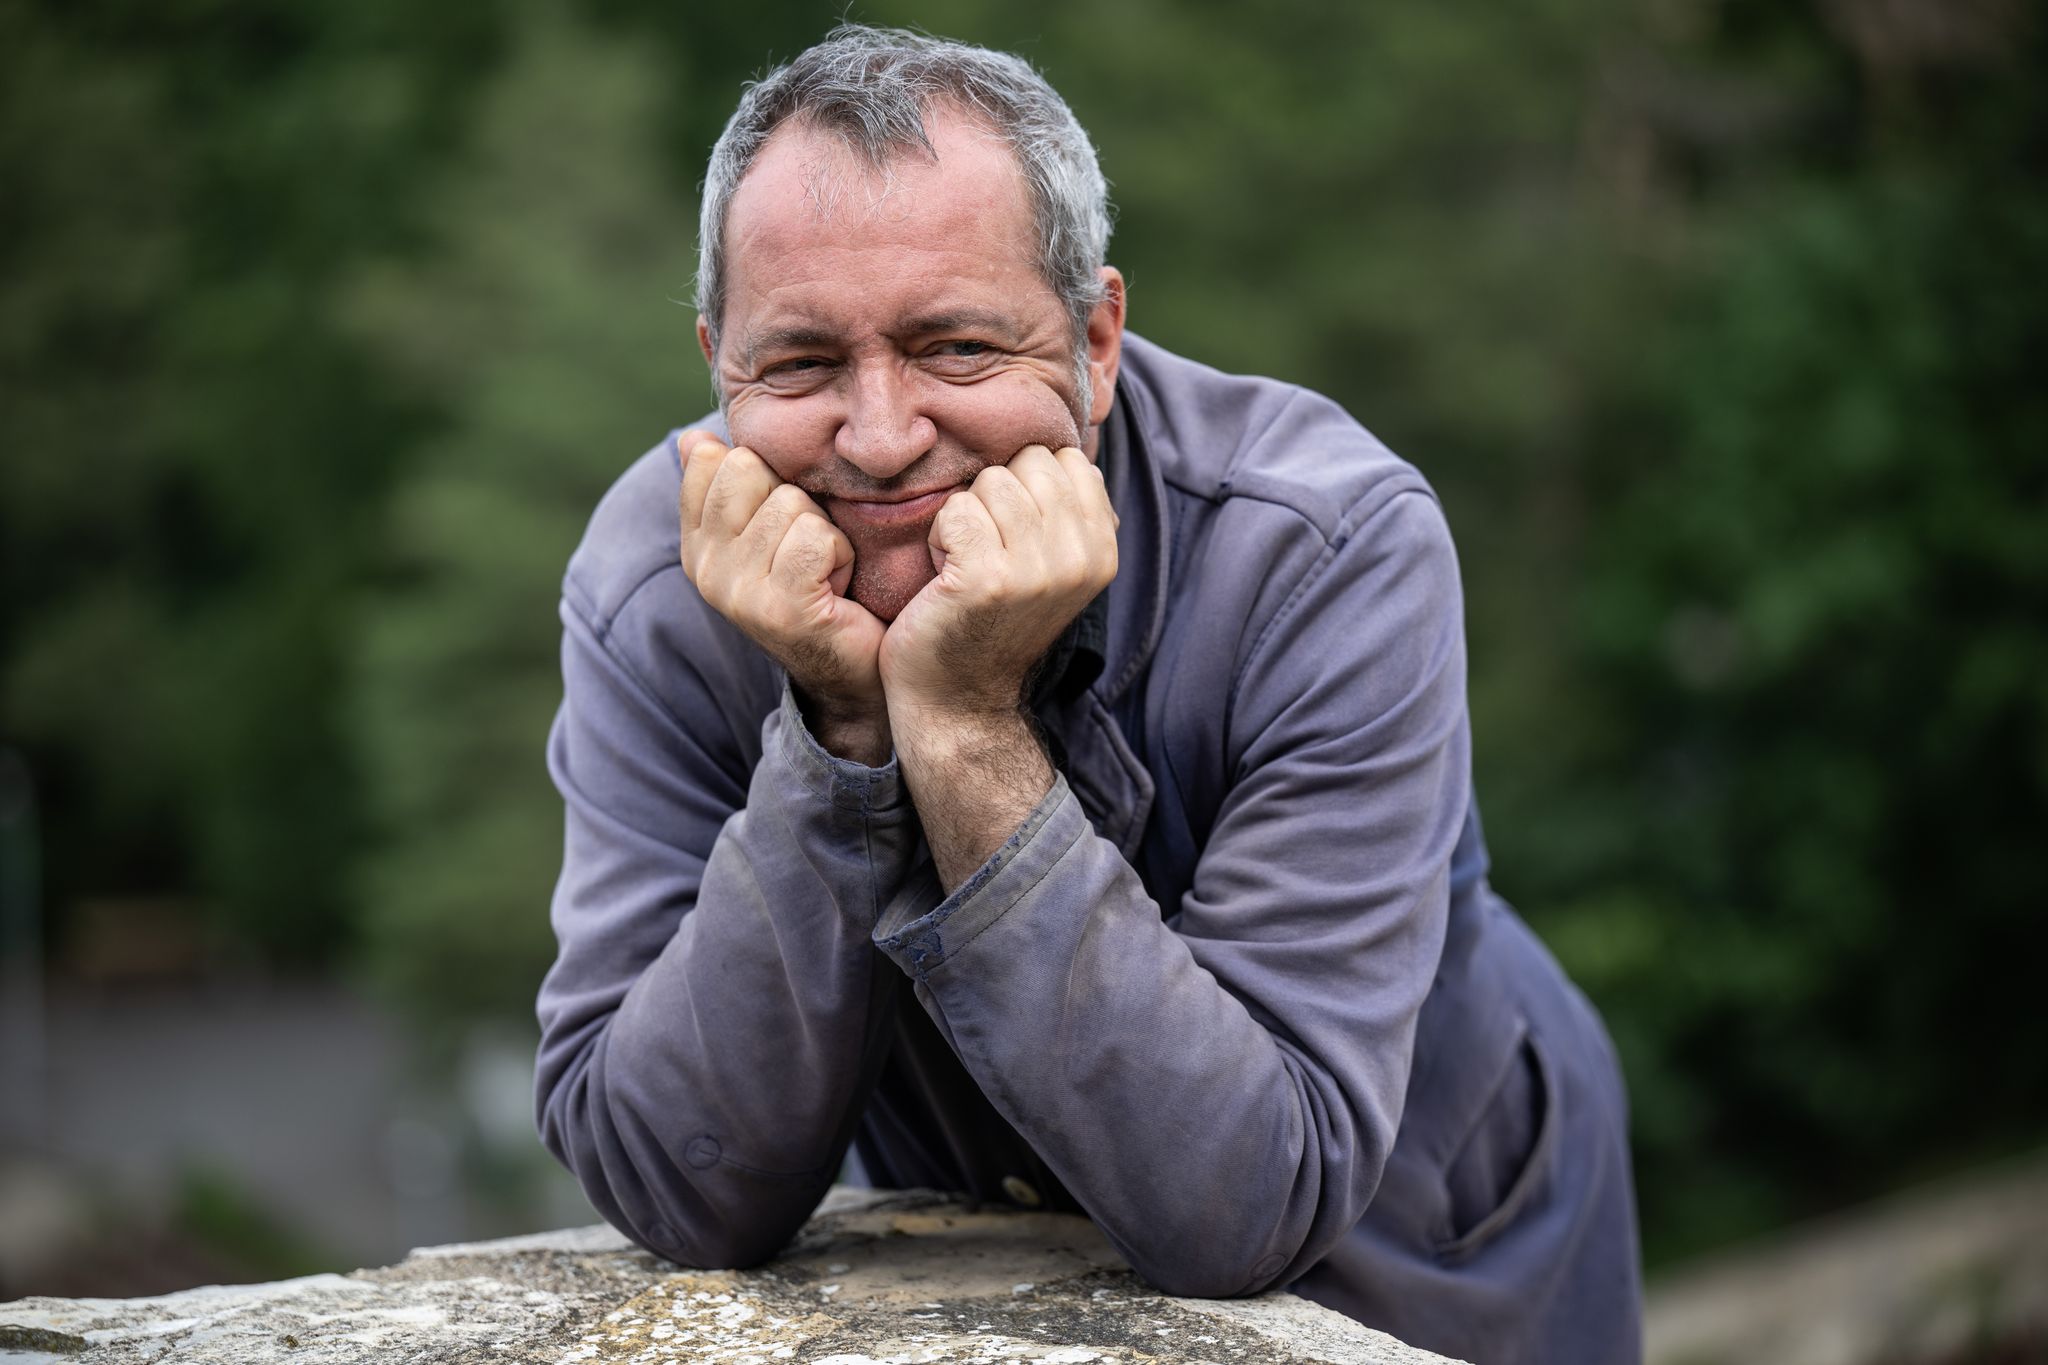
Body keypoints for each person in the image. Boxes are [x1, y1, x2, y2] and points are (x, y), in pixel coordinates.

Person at [535, 24, 1642, 1364]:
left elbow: (1252, 1193)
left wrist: (963, 723)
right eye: (802, 363)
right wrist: (841, 738)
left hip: (1429, 1237)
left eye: (954, 347)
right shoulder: (652, 585)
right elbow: (667, 1176)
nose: (879, 439)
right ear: (719, 362)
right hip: (981, 1244)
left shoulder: (1325, 548)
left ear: (1097, 339)